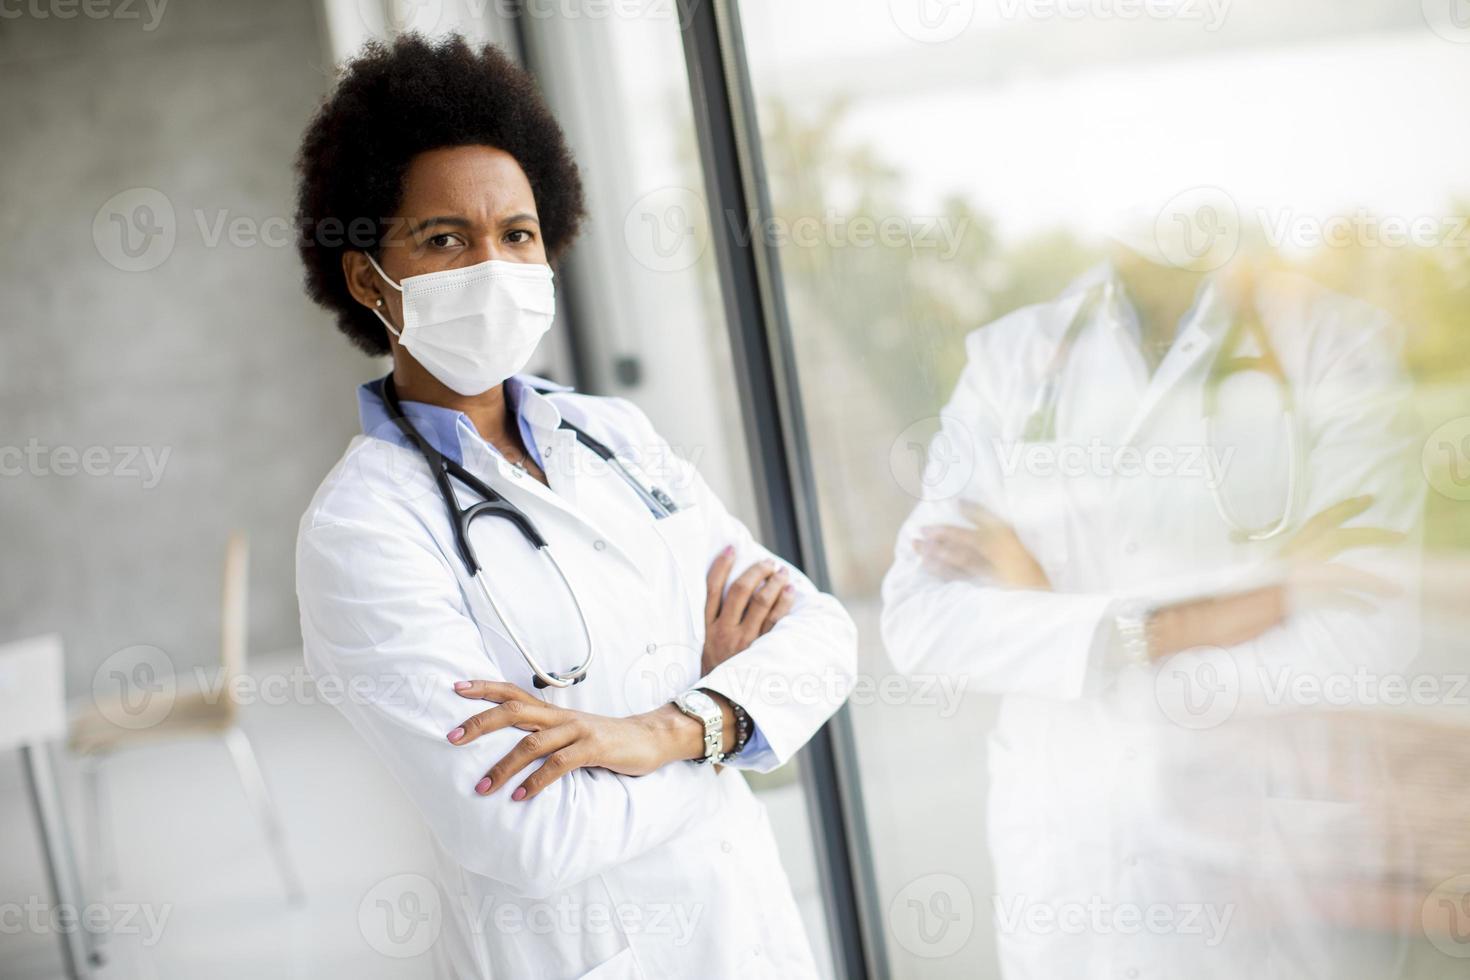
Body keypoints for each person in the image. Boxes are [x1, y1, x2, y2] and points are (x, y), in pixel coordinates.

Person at [292, 34, 855, 979]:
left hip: (750, 929)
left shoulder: (615, 437)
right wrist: (728, 728)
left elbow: (824, 636)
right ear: (367, 277)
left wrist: (657, 736)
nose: (495, 263)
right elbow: (529, 835)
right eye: (444, 239)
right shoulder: (363, 532)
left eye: (516, 233)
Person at [881, 228, 1423, 978]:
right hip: (1068, 869)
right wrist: (1202, 622)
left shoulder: (1332, 345)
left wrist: (1043, 607)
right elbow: (921, 622)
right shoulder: (1014, 357)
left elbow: (1362, 644)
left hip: (1260, 867)